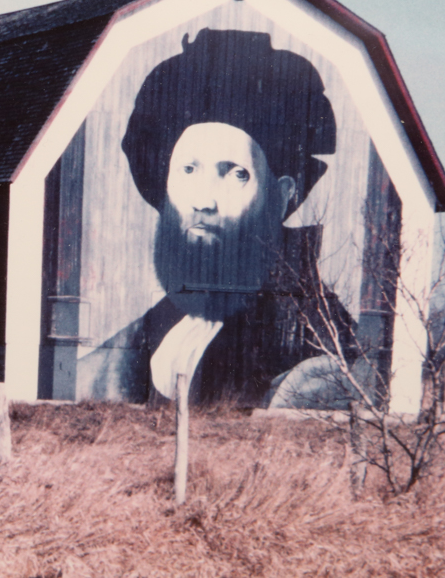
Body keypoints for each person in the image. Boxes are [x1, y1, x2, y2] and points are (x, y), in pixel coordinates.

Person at [121, 28, 350, 404]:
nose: (204, 202)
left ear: (281, 195)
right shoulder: (138, 337)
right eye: (189, 170)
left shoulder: (316, 342)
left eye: (236, 173)